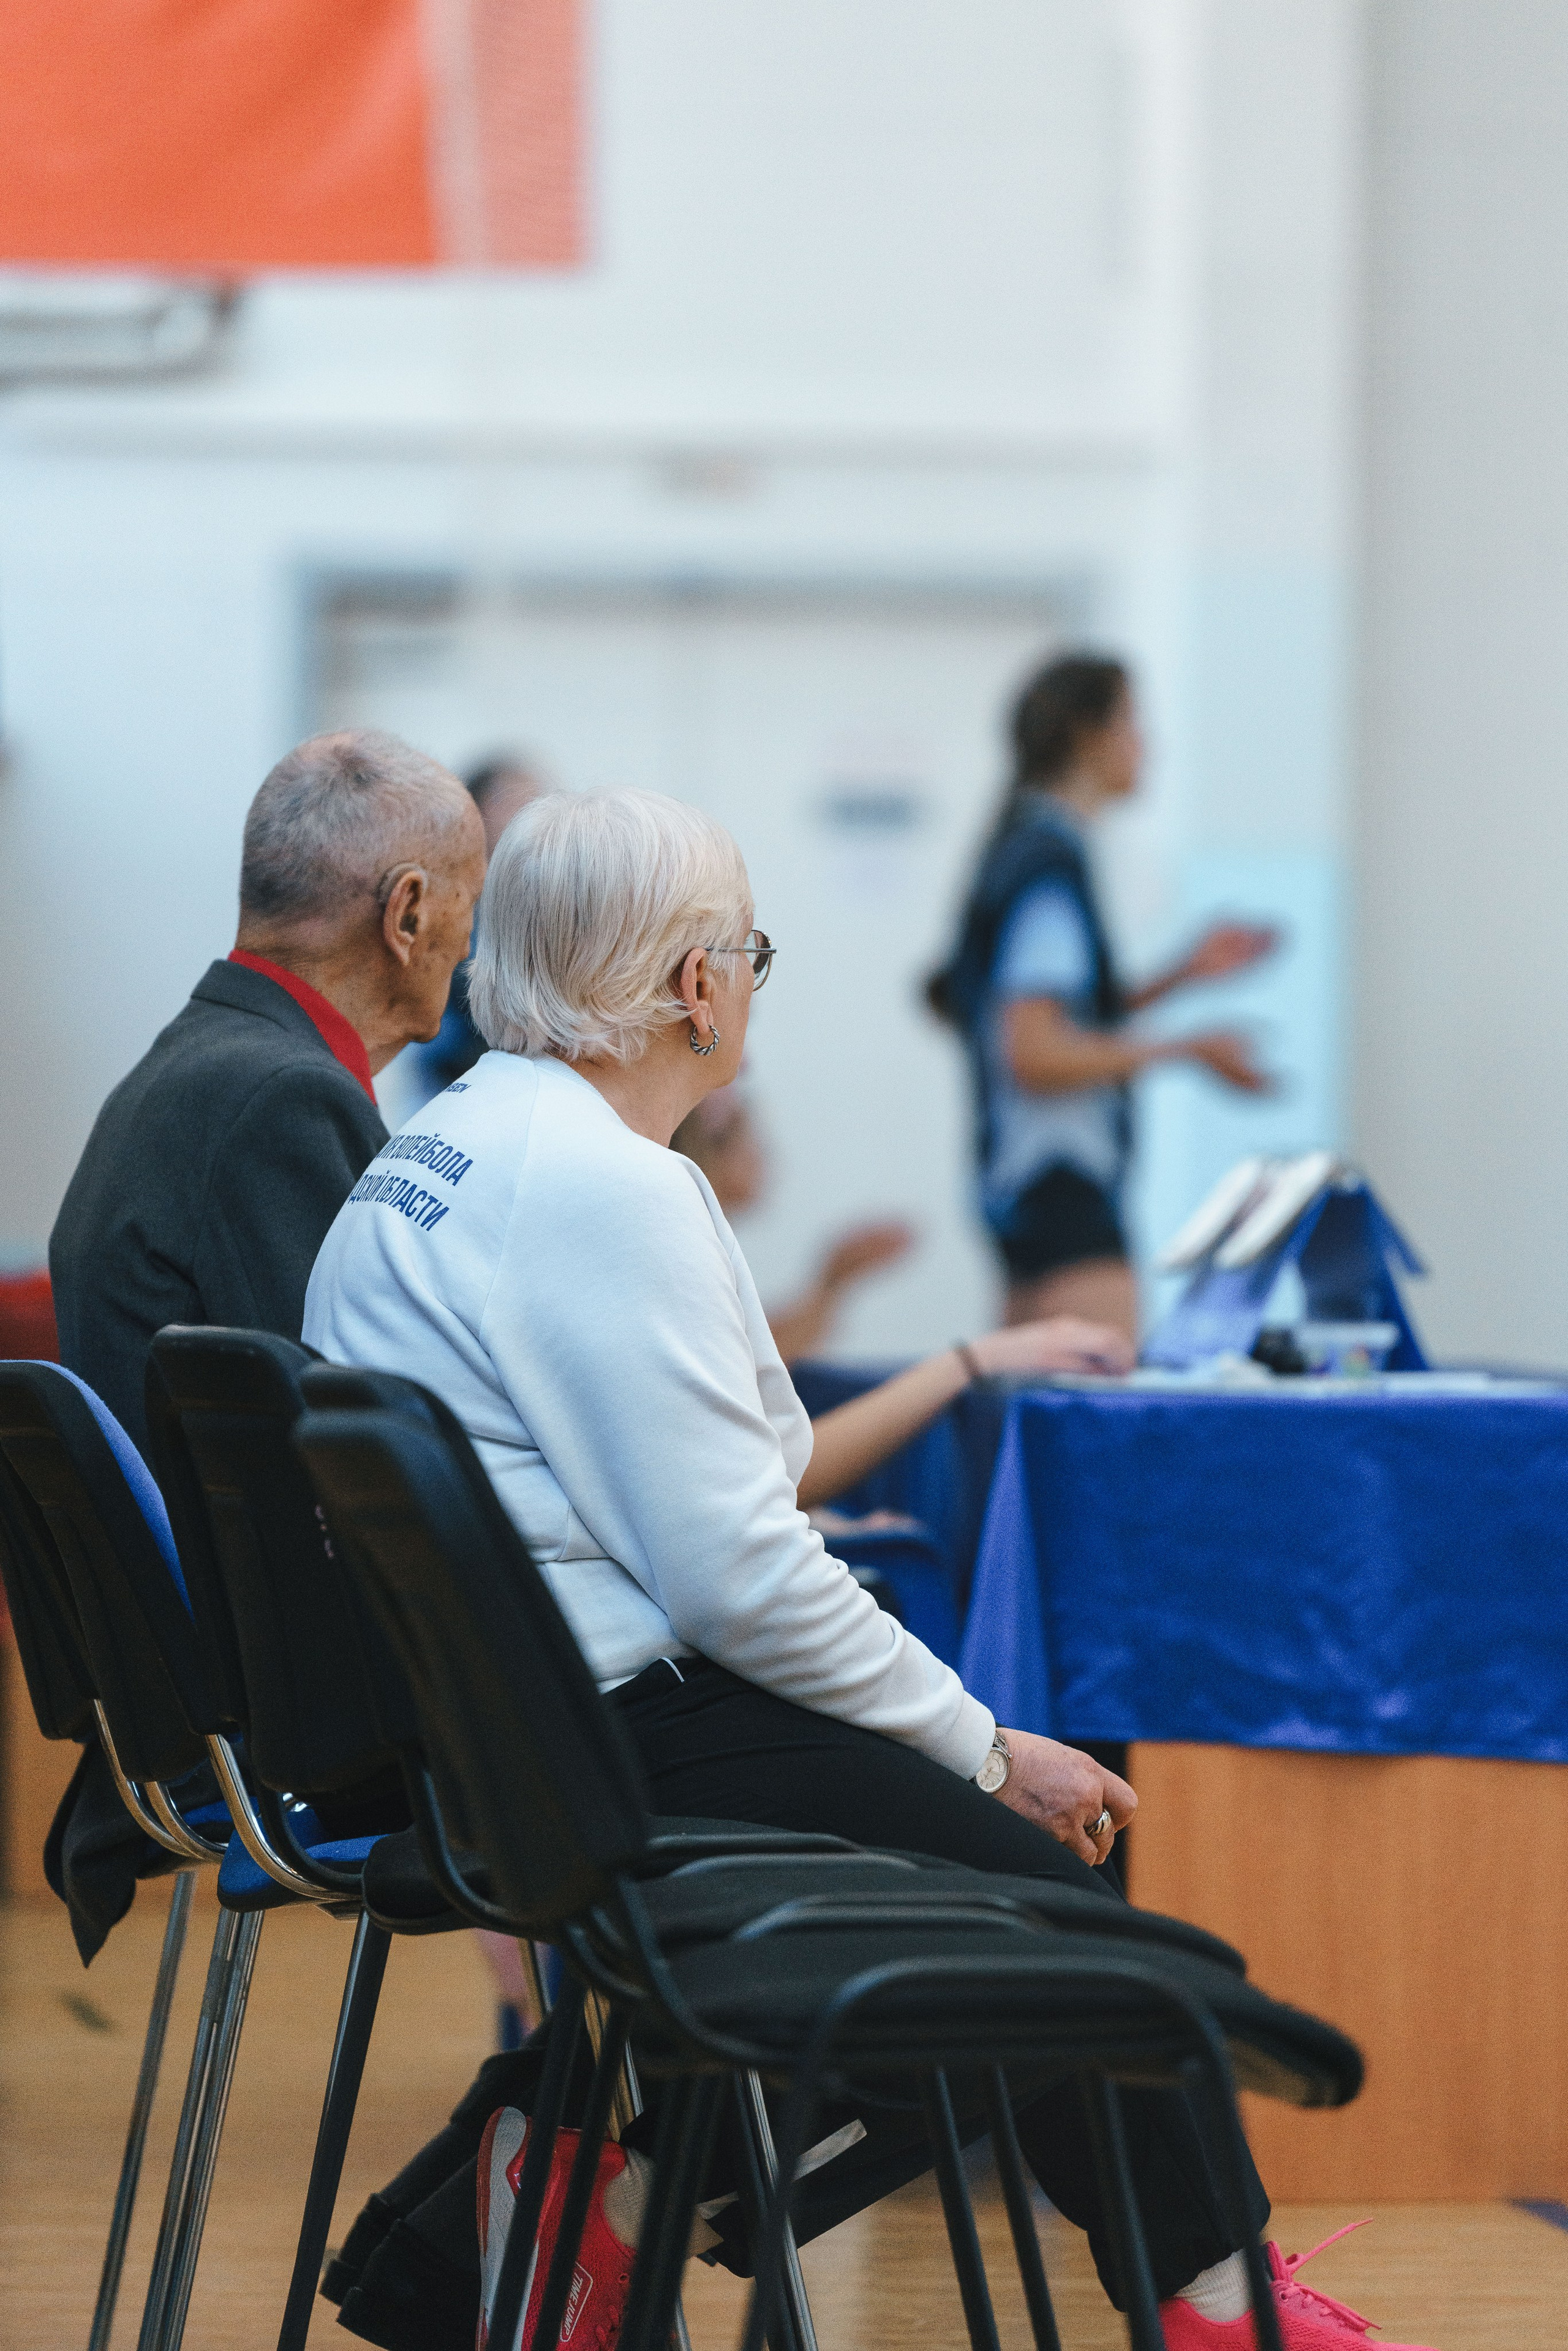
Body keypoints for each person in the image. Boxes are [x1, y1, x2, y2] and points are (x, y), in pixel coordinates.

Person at [304, 788, 1428, 2351]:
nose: (751, 986)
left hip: (513, 1726)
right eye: (749, 953)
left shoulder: (448, 1151)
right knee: (1075, 1941)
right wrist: (980, 1741)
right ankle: (1223, 2312)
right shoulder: (600, 1188)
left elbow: (738, 1477)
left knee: (973, 1929)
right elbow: (737, 1577)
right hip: (615, 1733)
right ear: (696, 985)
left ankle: (584, 2181)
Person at [50, 728, 486, 1452]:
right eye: (472, 900)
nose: (473, 942)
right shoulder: (284, 1100)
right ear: (408, 913)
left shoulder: (196, 1066)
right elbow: (368, 1444)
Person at [929, 652, 1279, 1345]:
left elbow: (1054, 1014)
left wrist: (1179, 975)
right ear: (1086, 735)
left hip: (1029, 1200)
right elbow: (1032, 1048)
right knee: (1090, 1428)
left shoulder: (1025, 852)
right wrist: (1189, 1048)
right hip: (1063, 1195)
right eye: (1131, 721)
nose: (1147, 745)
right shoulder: (1047, 867)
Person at [409, 753, 548, 1098]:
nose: (532, 819)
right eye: (516, 804)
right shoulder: (444, 900)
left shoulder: (542, 903)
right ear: (477, 814)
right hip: (451, 1083)